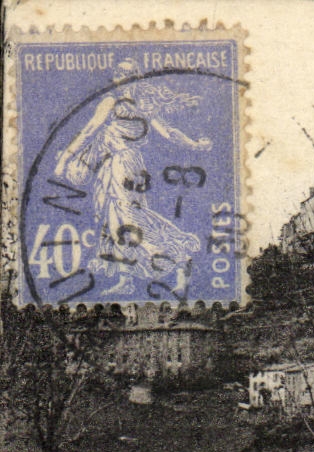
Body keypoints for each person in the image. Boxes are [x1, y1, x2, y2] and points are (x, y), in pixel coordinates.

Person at [52, 59, 212, 295]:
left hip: (124, 164)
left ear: (137, 77)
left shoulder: (130, 104)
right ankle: (126, 279)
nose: (122, 77)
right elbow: (89, 131)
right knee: (113, 218)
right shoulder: (116, 102)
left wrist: (195, 145)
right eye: (119, 72)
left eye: (128, 73)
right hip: (115, 165)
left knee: (128, 217)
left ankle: (180, 259)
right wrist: (66, 158)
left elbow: (168, 132)